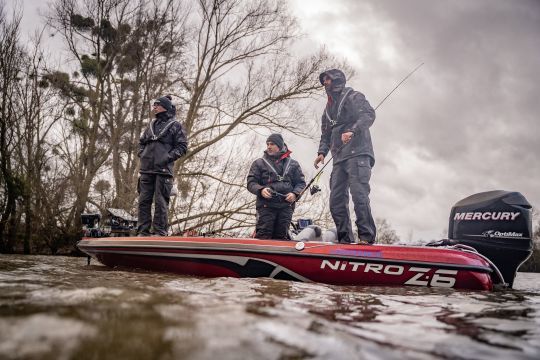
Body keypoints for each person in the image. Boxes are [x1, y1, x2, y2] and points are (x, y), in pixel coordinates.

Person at [314, 69, 376, 244]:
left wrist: (352, 130)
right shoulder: (327, 109)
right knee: (336, 201)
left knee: (359, 195)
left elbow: (369, 115)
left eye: (327, 79)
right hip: (339, 158)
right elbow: (325, 135)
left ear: (336, 80)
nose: (325, 82)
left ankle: (366, 237)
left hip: (359, 154)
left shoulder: (354, 96)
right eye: (323, 80)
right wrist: (321, 152)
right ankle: (345, 240)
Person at [137, 95, 188, 236]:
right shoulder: (150, 125)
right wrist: (142, 154)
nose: (154, 107)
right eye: (154, 105)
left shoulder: (175, 125)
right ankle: (143, 232)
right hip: (146, 169)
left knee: (160, 202)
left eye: (157, 105)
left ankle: (159, 232)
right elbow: (141, 142)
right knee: (143, 201)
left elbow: (182, 147)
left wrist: (167, 158)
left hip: (163, 170)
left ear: (164, 107)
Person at [247, 134, 306, 240]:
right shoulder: (259, 163)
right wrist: (261, 190)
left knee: (281, 238)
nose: (269, 146)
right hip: (266, 207)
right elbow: (251, 183)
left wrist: (295, 194)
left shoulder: (293, 164)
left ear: (280, 145)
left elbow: (301, 183)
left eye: (272, 144)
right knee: (263, 236)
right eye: (267, 144)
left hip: (286, 207)